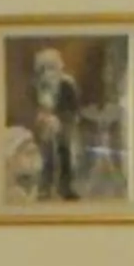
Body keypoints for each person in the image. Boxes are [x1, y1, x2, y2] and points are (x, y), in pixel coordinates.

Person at [28, 47, 83, 203]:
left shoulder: (67, 84)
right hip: (46, 123)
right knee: (46, 155)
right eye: (43, 68)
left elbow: (73, 107)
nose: (47, 72)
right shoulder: (38, 85)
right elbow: (36, 106)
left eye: (51, 67)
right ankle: (45, 187)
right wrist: (44, 117)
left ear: (59, 66)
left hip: (65, 122)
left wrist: (59, 119)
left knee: (64, 153)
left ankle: (65, 188)